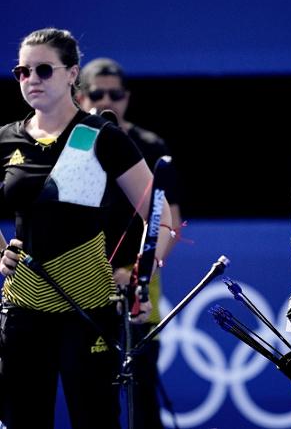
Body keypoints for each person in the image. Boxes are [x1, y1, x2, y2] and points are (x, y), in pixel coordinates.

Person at [0, 28, 172, 429]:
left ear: (72, 73)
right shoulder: (5, 138)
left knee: (95, 420)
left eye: (44, 70)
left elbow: (159, 216)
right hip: (23, 306)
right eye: (22, 71)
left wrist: (140, 278)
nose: (32, 80)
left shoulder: (104, 137)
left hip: (88, 308)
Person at [77, 58, 182, 429]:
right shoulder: (72, 147)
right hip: (81, 282)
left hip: (138, 280)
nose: (107, 100)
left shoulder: (150, 146)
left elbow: (170, 221)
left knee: (142, 385)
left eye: (115, 94)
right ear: (79, 96)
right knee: (92, 391)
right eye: (96, 93)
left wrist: (141, 270)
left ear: (127, 97)